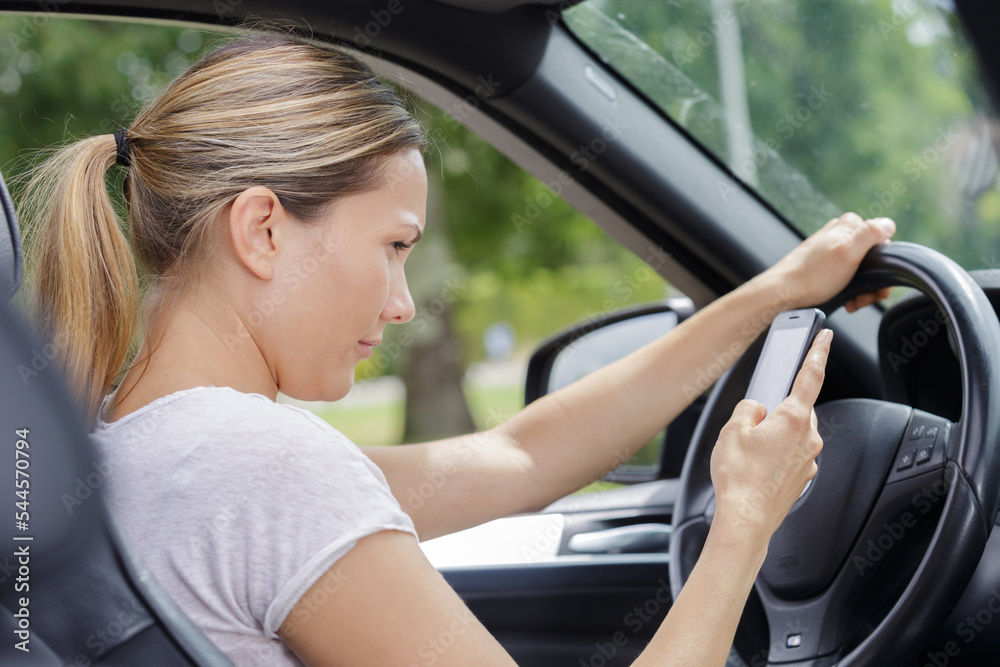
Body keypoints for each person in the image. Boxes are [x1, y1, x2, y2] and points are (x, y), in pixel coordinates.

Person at [17, 31, 894, 667]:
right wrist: (745, 522)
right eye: (393, 246)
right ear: (263, 230)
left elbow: (516, 454)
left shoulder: (124, 444)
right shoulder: (263, 467)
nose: (403, 305)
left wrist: (773, 292)